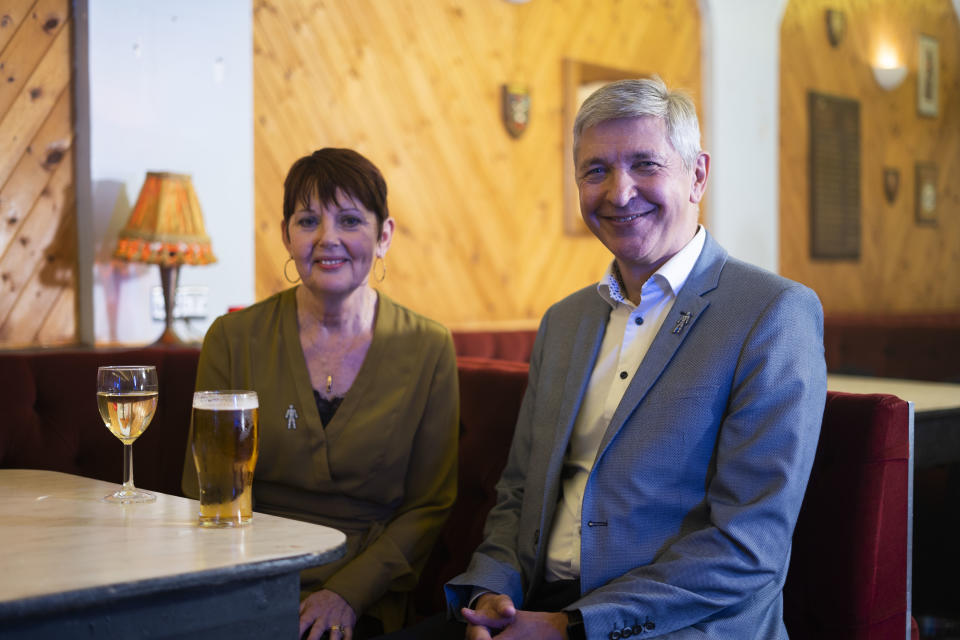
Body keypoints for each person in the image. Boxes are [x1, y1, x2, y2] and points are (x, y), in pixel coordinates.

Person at [388, 77, 826, 639]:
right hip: (531, 610)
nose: (619, 193)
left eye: (646, 165)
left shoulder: (772, 313)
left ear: (697, 175)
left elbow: (748, 547)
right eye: (596, 171)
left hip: (677, 625)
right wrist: (490, 594)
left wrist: (570, 627)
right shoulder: (564, 323)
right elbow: (518, 493)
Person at [181, 148, 459, 640]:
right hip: (249, 580)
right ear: (287, 235)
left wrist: (347, 594)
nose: (328, 239)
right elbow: (204, 487)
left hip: (367, 593)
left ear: (384, 236)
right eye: (308, 221)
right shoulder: (232, 338)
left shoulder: (428, 346)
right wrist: (252, 593)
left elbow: (428, 505)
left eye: (350, 220)